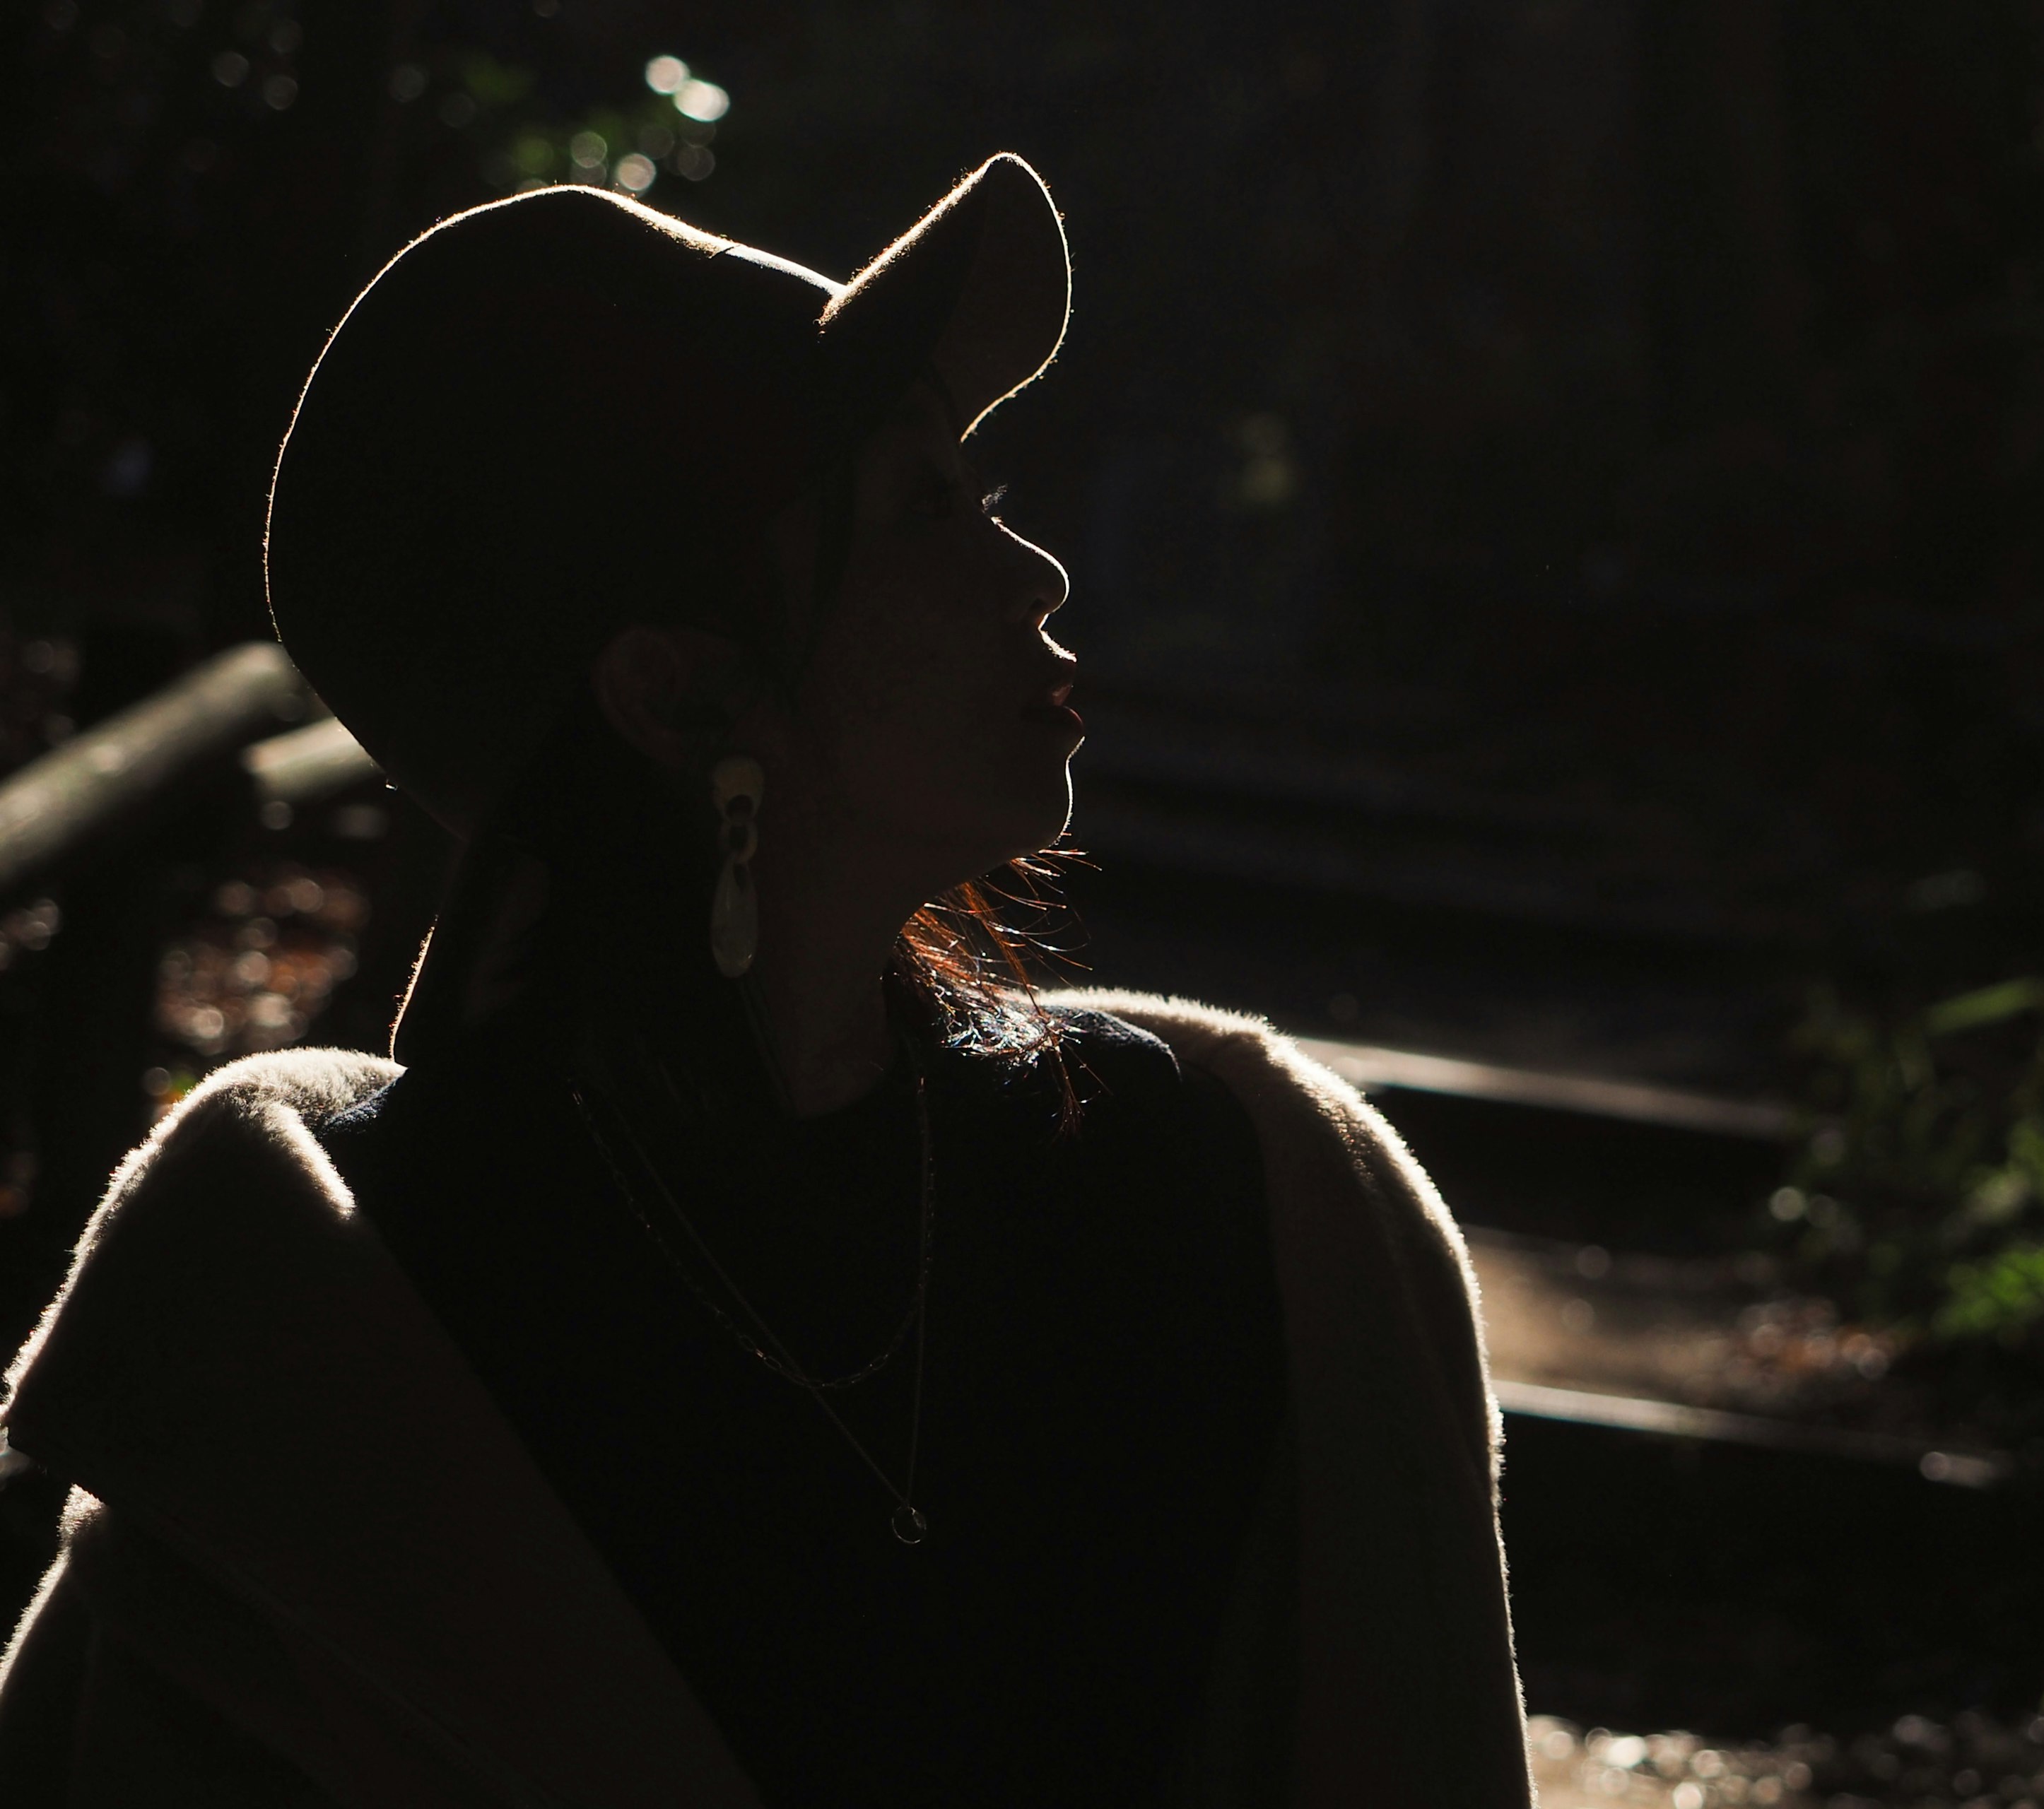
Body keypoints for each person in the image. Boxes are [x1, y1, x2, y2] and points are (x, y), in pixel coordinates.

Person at [0, 155, 1532, 1807]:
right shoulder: (318, 1353)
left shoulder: (1256, 1194)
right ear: (674, 695)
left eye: (987, 495)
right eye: (923, 510)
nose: (1036, 577)